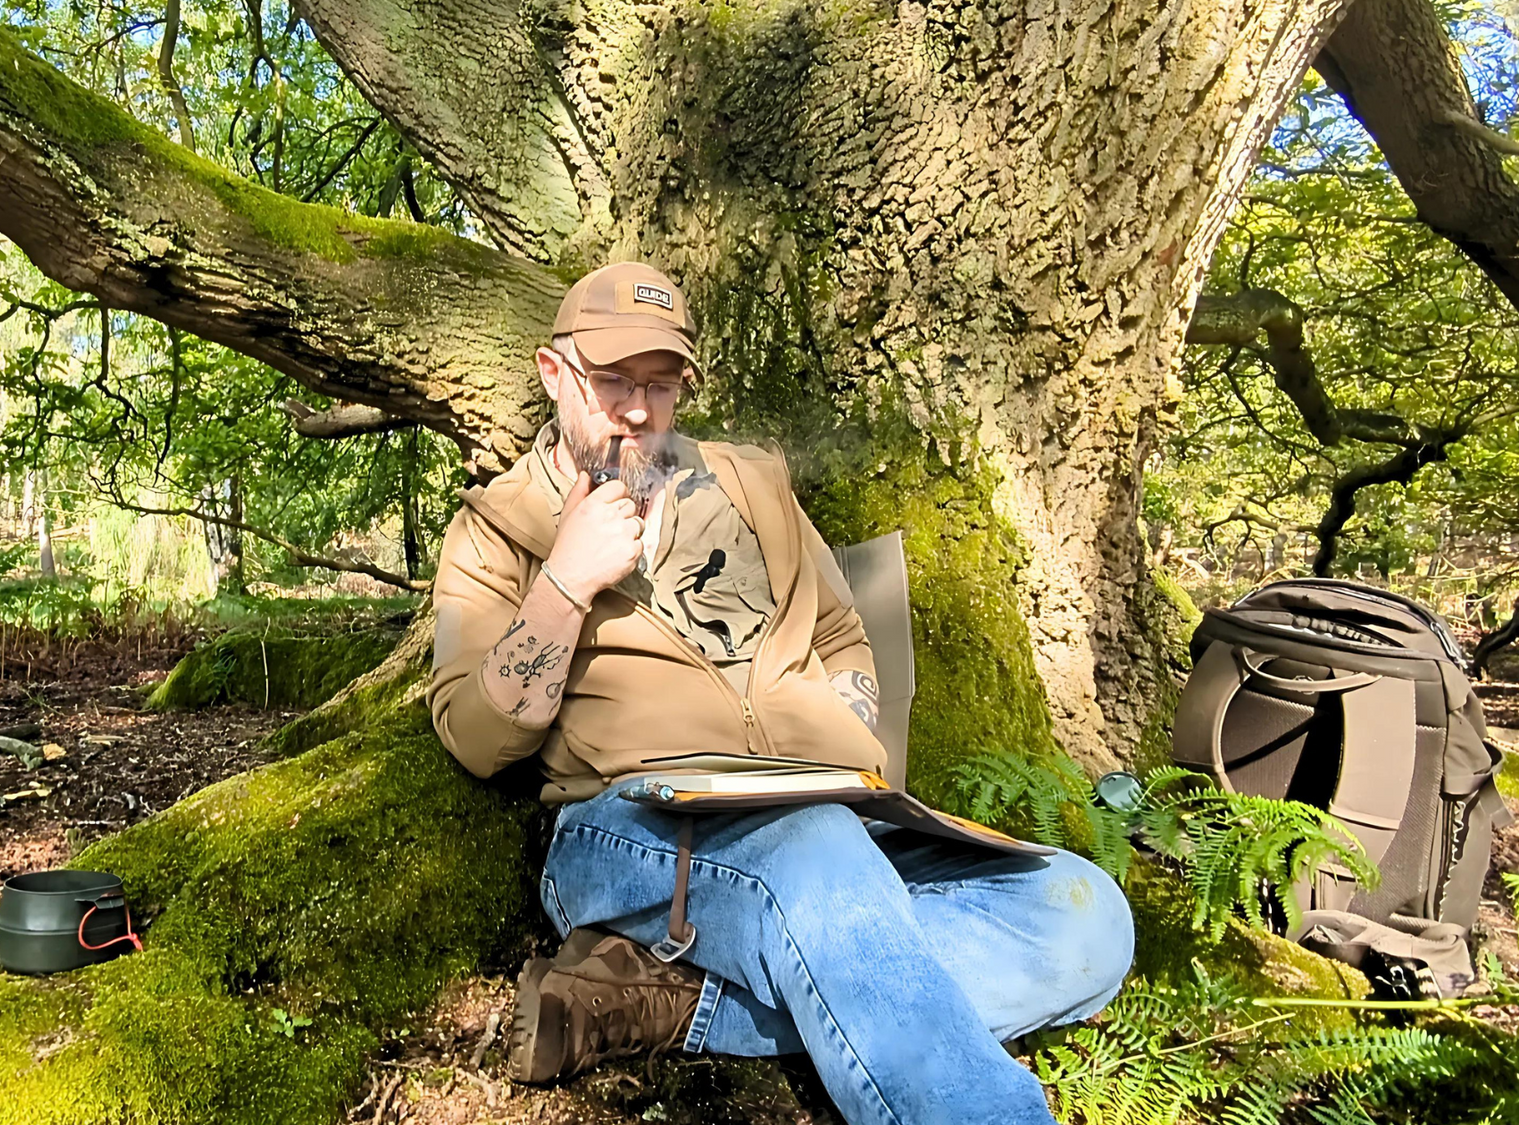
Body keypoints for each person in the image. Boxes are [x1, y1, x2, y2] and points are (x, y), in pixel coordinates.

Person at [426, 262, 1137, 1124]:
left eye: (661, 384)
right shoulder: (497, 529)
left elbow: (842, 634)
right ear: (554, 374)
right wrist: (567, 584)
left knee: (1086, 913)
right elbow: (472, 732)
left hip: (836, 815)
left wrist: (844, 725)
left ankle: (673, 1004)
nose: (641, 411)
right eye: (614, 384)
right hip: (631, 832)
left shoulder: (752, 486)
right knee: (816, 860)